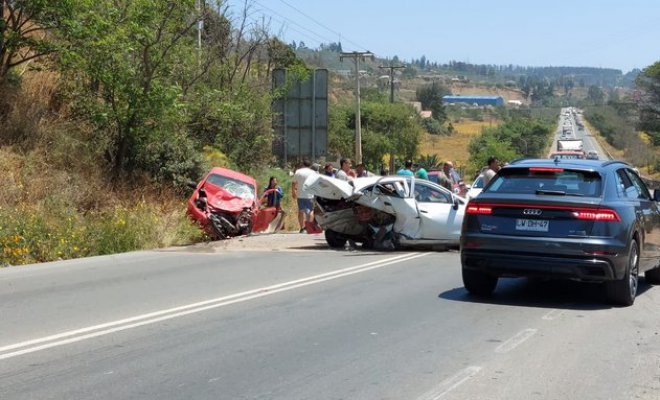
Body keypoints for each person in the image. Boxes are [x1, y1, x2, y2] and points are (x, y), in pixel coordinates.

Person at [292, 160, 317, 233]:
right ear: (310, 165)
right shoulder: (313, 173)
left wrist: (293, 192)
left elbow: (293, 183)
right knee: (311, 211)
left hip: (300, 195)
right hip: (310, 195)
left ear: (303, 164)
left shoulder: (298, 172)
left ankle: (302, 228)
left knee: (301, 211)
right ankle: (309, 227)